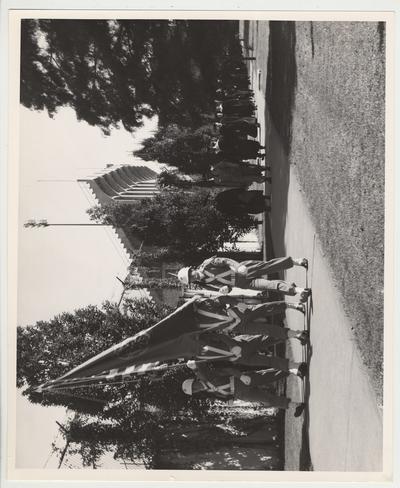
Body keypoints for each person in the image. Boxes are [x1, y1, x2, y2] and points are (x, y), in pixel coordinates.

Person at [182, 360, 306, 416]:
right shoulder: (209, 391)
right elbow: (224, 396)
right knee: (267, 400)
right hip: (241, 395)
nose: (196, 390)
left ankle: (295, 369)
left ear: (194, 382)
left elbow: (200, 367)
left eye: (194, 388)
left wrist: (193, 366)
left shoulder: (206, 377)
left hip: (239, 381)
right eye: (194, 391)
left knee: (269, 375)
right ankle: (296, 405)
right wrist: (228, 400)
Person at [177, 255, 311, 301]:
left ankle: (296, 261)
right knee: (269, 285)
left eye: (191, 274)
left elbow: (226, 261)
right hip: (243, 283)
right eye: (190, 279)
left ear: (191, 269)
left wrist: (237, 267)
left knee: (269, 266)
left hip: (243, 270)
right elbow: (225, 289)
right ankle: (299, 291)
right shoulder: (204, 285)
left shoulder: (207, 264)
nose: (193, 277)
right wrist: (226, 290)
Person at [192, 295, 309, 345]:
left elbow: (221, 299)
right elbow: (211, 337)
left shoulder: (202, 306)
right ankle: (298, 334)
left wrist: (237, 303)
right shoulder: (197, 329)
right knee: (267, 330)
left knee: (266, 309)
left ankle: (294, 305)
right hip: (237, 327)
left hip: (237, 312)